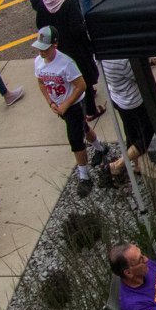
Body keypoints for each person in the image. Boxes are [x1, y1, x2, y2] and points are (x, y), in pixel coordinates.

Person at [32, 26, 104, 195]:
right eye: (39, 48)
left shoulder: (66, 63)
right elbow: (41, 83)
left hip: (74, 107)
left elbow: (81, 86)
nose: (41, 52)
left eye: (45, 48)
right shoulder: (38, 62)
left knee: (75, 140)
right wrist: (51, 103)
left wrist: (66, 104)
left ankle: (84, 177)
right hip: (59, 107)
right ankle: (100, 148)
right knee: (83, 128)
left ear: (54, 45)